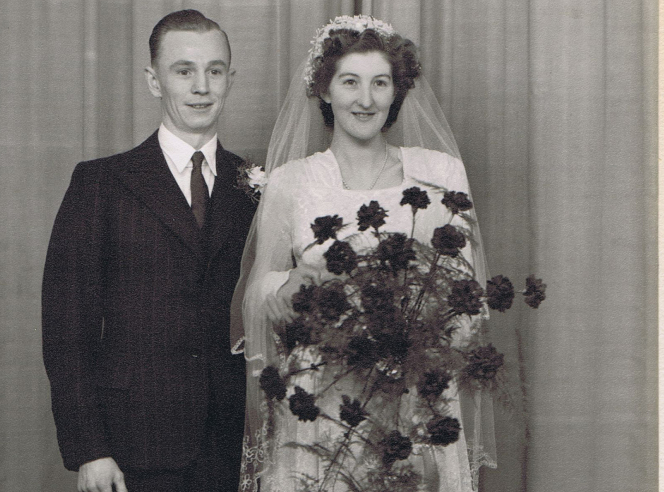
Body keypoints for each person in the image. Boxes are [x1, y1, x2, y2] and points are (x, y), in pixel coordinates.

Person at [232, 16, 496, 492]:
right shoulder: (292, 182)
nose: (366, 99)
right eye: (350, 82)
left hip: (413, 403)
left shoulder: (440, 174)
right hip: (322, 403)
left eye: (380, 83)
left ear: (397, 91)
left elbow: (467, 301)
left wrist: (410, 343)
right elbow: (256, 294)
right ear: (325, 90)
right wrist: (284, 287)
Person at [42, 9, 255, 492]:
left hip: (233, 443)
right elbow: (65, 328)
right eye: (184, 71)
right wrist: (90, 450)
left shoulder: (256, 188)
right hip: (131, 444)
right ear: (154, 81)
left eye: (214, 71)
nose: (201, 86)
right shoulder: (101, 183)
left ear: (229, 79)